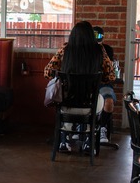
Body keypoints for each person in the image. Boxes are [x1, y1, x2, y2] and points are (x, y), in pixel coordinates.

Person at [44, 21, 114, 153]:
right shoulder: (99, 50)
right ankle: (89, 141)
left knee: (64, 100)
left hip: (66, 103)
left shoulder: (65, 49)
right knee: (100, 100)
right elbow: (110, 76)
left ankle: (64, 140)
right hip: (90, 104)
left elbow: (47, 72)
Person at [93, 25, 117, 144]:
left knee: (108, 102)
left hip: (103, 83)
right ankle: (80, 127)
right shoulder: (83, 49)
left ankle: (102, 127)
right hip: (86, 85)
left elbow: (110, 71)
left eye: (98, 35)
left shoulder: (107, 49)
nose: (96, 38)